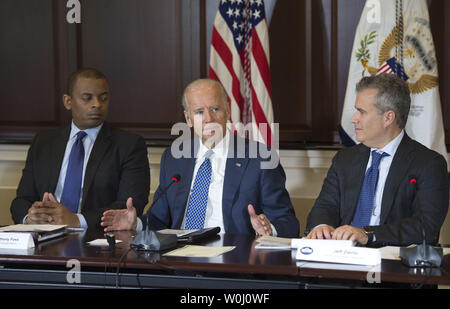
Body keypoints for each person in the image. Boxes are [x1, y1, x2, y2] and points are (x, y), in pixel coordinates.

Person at [101, 78, 299, 237]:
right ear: (188, 119)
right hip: (179, 258)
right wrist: (135, 224)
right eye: (199, 112)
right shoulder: (173, 158)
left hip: (234, 260)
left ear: (227, 110)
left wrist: (269, 229)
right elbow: (159, 220)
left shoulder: (259, 158)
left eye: (215, 109)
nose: (208, 119)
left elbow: (288, 223)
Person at [306, 73, 449, 246]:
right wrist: (322, 225)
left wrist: (368, 234)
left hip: (393, 265)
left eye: (362, 112)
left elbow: (425, 226)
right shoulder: (344, 159)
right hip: (342, 259)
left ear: (388, 117)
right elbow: (325, 206)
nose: (353, 119)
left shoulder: (428, 164)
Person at [10, 68, 150, 229]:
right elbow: (21, 199)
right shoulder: (43, 142)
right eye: (87, 98)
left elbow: (130, 206)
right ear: (68, 101)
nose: (97, 104)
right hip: (44, 234)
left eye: (103, 98)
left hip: (97, 239)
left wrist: (76, 220)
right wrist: (30, 218)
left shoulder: (129, 145)